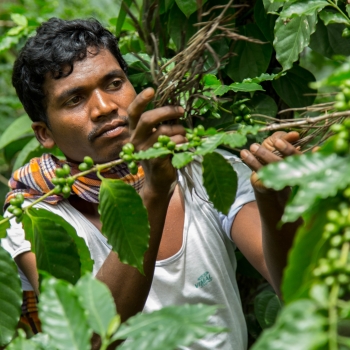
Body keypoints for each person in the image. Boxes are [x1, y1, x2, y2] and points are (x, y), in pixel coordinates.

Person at [2, 17, 302, 349]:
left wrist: (273, 198)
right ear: (45, 134)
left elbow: (296, 290)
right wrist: (154, 193)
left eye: (114, 83)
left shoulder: (201, 173)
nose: (104, 108)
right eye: (74, 100)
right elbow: (89, 338)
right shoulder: (32, 215)